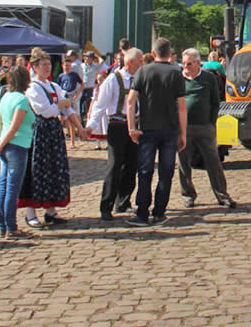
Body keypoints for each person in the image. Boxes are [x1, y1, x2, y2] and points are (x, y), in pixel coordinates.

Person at [19, 47, 85, 229]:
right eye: (43, 65)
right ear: (35, 67)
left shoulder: (53, 85)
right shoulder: (32, 87)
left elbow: (67, 108)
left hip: (54, 133)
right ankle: (30, 213)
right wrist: (60, 104)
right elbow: (45, 111)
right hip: (40, 132)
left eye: (48, 64)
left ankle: (51, 211)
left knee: (55, 170)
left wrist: (79, 127)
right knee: (37, 171)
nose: (47, 68)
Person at [126, 37, 186, 227]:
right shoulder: (176, 73)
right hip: (169, 129)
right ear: (170, 53)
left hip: (147, 129)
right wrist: (183, 133)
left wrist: (131, 128)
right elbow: (182, 106)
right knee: (166, 172)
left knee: (145, 171)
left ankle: (142, 213)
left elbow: (130, 102)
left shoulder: (143, 71)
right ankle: (159, 212)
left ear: (152, 53)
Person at [88, 48, 143, 220]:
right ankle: (106, 205)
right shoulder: (114, 79)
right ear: (130, 62)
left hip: (135, 125)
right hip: (117, 125)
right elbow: (100, 105)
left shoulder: (140, 78)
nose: (143, 63)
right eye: (140, 60)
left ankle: (124, 202)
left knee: (131, 165)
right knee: (114, 166)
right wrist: (91, 126)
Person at [177, 48, 235, 209]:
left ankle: (222, 194)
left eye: (189, 64)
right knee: (183, 163)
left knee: (213, 161)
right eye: (183, 64)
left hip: (204, 127)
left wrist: (211, 123)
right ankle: (188, 195)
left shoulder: (208, 78)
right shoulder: (179, 79)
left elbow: (215, 101)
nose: (186, 67)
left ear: (197, 63)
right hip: (184, 128)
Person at [0, 64, 35, 240]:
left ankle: (3, 226)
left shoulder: (6, 96)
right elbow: (14, 127)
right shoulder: (21, 100)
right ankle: (11, 228)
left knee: (3, 186)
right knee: (12, 188)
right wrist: (0, 144)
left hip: (4, 145)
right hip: (17, 145)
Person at [58, 53, 84, 148]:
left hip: (71, 97)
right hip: (63, 97)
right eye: (65, 65)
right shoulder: (61, 76)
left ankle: (73, 140)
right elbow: (59, 87)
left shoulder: (74, 75)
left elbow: (82, 84)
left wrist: (77, 94)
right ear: (62, 66)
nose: (67, 67)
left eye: (69, 65)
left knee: (72, 119)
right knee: (63, 120)